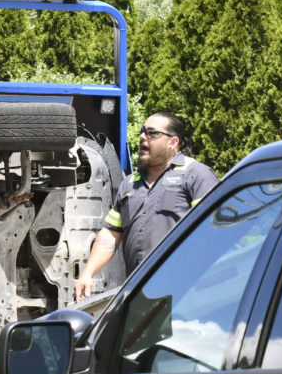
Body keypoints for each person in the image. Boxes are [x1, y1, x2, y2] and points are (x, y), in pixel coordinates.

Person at [74, 111, 218, 301]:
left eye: (152, 133)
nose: (143, 136)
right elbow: (111, 234)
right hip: (138, 292)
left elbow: (212, 230)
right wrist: (88, 273)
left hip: (185, 292)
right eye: (142, 131)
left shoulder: (196, 174)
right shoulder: (129, 184)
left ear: (172, 142)